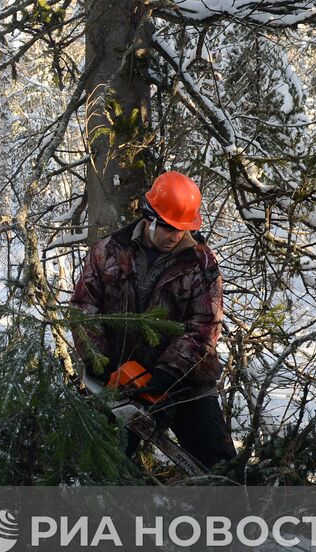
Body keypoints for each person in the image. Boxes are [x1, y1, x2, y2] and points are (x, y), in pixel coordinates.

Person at [71, 171, 236, 471]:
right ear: (149, 216)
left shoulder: (201, 264)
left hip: (184, 383)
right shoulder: (108, 251)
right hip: (118, 381)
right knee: (96, 466)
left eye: (182, 228)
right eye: (169, 226)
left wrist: (168, 370)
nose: (174, 235)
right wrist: (101, 363)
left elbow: (205, 326)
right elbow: (84, 307)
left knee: (223, 471)